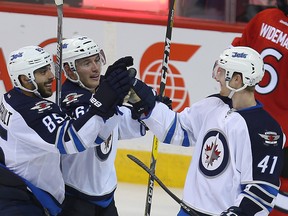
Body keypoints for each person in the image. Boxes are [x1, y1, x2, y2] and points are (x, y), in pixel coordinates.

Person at [128, 46, 285, 215]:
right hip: (187, 211)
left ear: (237, 80)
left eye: (223, 72)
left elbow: (262, 191)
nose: (218, 77)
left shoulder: (266, 130)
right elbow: (177, 129)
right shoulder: (213, 105)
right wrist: (145, 103)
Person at [0, 45, 131, 215]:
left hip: (19, 192)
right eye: (42, 72)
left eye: (49, 68)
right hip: (22, 201)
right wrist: (103, 101)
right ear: (25, 79)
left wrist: (105, 98)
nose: (51, 76)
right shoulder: (32, 111)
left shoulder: (11, 98)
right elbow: (71, 141)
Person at [59, 36, 147, 216]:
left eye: (97, 60)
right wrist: (113, 100)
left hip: (106, 197)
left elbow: (126, 124)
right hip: (74, 199)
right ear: (70, 69)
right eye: (86, 63)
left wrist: (147, 109)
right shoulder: (70, 101)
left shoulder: (103, 91)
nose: (95, 68)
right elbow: (94, 135)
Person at [231, 1, 288, 215]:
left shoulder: (265, 18)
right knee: (271, 200)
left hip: (245, 126)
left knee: (239, 194)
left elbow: (231, 60)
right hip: (280, 141)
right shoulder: (265, 18)